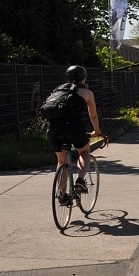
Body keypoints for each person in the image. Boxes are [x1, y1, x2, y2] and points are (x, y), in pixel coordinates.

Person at [46, 65, 103, 204]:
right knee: (84, 152)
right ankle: (80, 181)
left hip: (54, 129)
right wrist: (97, 131)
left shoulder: (58, 90)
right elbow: (93, 115)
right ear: (84, 78)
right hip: (74, 128)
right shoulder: (87, 92)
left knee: (62, 161)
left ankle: (61, 195)